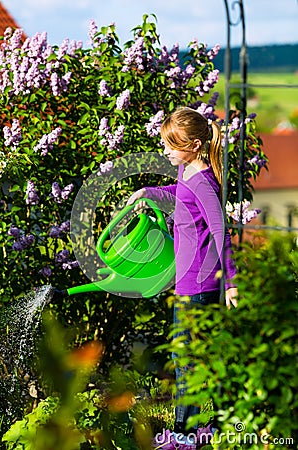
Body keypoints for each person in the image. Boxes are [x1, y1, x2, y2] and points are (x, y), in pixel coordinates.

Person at [127, 107, 238, 449]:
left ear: (194, 145)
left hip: (200, 284)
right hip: (191, 281)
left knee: (187, 360)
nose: (165, 151)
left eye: (171, 145)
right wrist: (149, 192)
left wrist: (233, 282)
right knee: (199, 356)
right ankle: (219, 424)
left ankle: (184, 435)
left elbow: (222, 231)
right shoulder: (187, 169)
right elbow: (178, 197)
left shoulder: (203, 181)